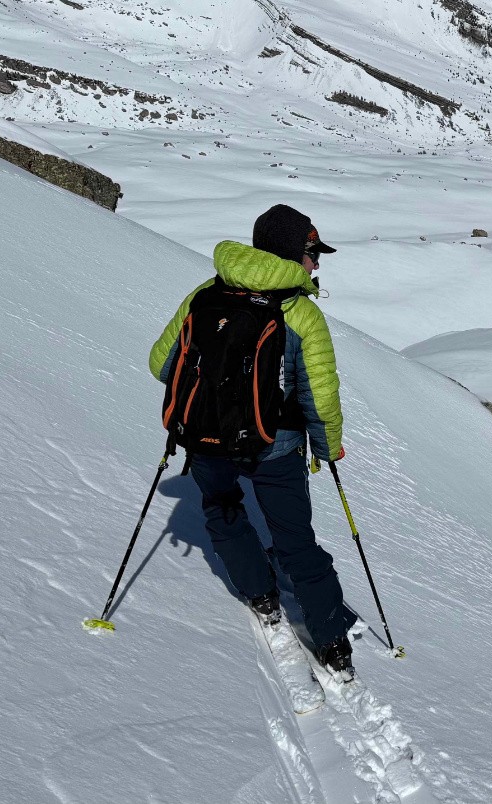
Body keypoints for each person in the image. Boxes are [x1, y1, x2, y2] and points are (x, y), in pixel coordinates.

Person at [148, 204, 358, 676]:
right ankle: (331, 641)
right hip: (275, 447)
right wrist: (328, 448)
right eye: (312, 254)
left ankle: (260, 594)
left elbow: (161, 364)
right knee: (295, 540)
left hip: (205, 438)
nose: (316, 265)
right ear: (291, 253)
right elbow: (319, 396)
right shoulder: (299, 312)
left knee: (222, 507)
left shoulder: (207, 293)